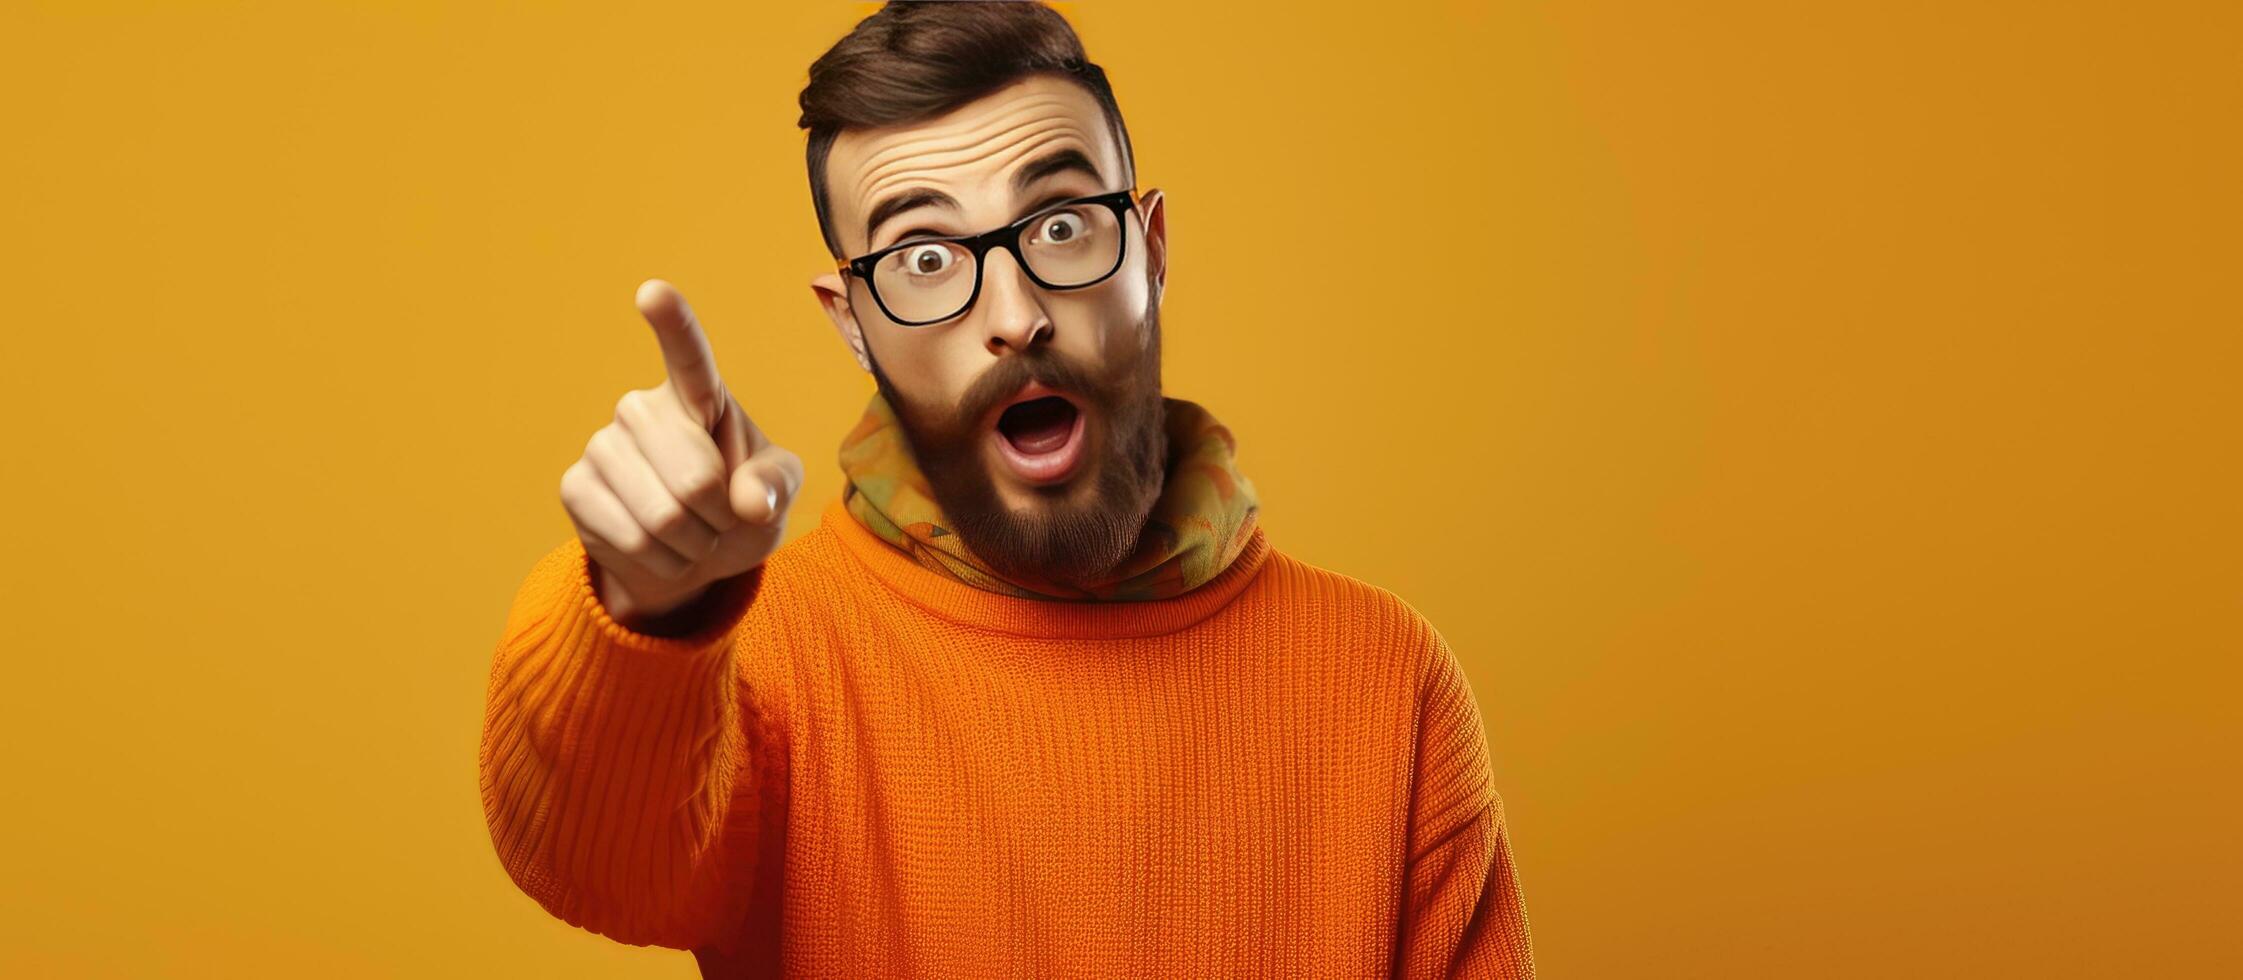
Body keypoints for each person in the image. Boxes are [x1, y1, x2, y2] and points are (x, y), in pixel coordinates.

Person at [478, 3, 1534, 976]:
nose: (1015, 310)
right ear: (852, 321)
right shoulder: (758, 662)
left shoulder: (1383, 680)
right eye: (925, 255)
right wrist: (646, 608)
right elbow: (588, 858)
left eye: (1062, 225)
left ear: (1150, 250)